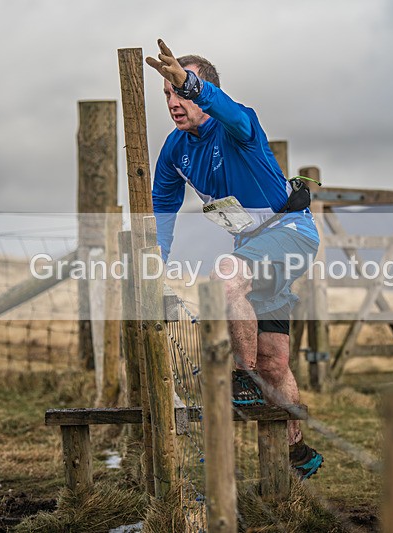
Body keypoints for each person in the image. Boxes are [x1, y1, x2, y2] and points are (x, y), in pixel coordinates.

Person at [146, 39, 323, 479]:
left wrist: (190, 83)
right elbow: (163, 207)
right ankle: (297, 456)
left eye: (178, 90)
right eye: (166, 93)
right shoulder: (174, 150)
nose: (172, 100)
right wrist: (157, 262)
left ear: (203, 91)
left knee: (226, 278)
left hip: (290, 234)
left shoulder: (239, 127)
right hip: (251, 250)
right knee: (275, 361)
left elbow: (231, 111)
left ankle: (239, 381)